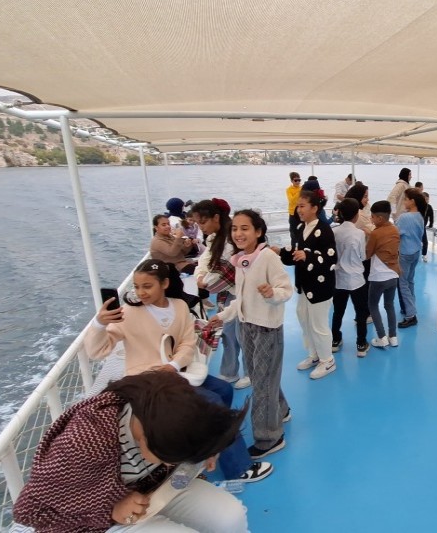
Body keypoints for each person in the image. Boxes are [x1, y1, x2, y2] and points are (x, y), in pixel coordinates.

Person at [84, 259, 269, 483]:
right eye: (137, 287)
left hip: (177, 373)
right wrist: (99, 324)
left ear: (164, 283)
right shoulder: (129, 314)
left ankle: (209, 445)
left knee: (224, 390)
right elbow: (97, 351)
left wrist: (172, 366)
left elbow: (188, 343)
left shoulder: (179, 307)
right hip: (148, 385)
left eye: (147, 286)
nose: (141, 292)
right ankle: (238, 469)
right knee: (211, 402)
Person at [13, 371, 253, 532]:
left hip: (159, 489)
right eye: (170, 459)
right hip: (104, 517)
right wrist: (110, 513)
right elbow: (29, 511)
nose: (172, 465)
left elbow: (194, 428)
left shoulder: (164, 400)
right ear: (146, 439)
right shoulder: (83, 443)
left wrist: (205, 449)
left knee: (230, 518)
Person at [210, 209, 293, 459]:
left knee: (262, 384)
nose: (238, 233)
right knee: (260, 378)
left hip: (266, 328)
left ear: (258, 232)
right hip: (246, 327)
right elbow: (242, 298)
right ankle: (282, 409)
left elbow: (285, 289)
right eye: (235, 228)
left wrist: (272, 293)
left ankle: (270, 437)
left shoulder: (267, 257)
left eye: (245, 228)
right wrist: (223, 315)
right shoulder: (241, 260)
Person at [275, 190, 339, 379]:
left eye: (302, 206)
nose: (299, 210)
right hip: (304, 284)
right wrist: (280, 252)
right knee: (304, 320)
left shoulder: (324, 229)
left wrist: (308, 256)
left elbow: (331, 258)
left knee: (319, 324)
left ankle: (328, 360)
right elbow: (297, 252)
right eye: (298, 206)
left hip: (320, 287)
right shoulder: (301, 227)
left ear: (314, 208)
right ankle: (314, 354)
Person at [191, 199, 250, 389]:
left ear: (216, 217)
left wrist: (204, 281)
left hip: (242, 293)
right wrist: (201, 276)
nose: (201, 227)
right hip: (227, 293)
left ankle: (251, 372)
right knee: (228, 333)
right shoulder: (214, 239)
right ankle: (229, 372)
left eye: (203, 222)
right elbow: (205, 260)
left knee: (244, 335)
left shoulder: (231, 242)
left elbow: (222, 274)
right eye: (198, 223)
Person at [330, 198, 371, 356]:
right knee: (361, 312)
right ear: (356, 215)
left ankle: (335, 340)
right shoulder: (359, 233)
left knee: (338, 311)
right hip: (356, 279)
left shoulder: (334, 232)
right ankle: (361, 343)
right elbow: (362, 256)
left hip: (339, 278)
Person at [366, 200, 400, 348]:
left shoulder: (375, 233)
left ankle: (381, 337)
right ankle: (393, 337)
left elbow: (367, 254)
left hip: (379, 276)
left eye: (372, 217)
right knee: (389, 305)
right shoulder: (395, 230)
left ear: (379, 218)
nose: (371, 219)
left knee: (373, 305)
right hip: (393, 274)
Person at [397, 189, 426, 328]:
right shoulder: (420, 216)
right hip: (415, 252)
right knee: (410, 281)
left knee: (403, 284)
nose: (404, 201)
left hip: (405, 253)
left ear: (412, 201)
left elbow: (396, 233)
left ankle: (410, 315)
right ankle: (411, 308)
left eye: (405, 199)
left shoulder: (404, 217)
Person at [286, 172, 302, 247]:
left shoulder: (302, 189)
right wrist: (299, 192)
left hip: (301, 214)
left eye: (299, 180)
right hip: (292, 214)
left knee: (302, 232)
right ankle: (293, 250)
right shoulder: (289, 190)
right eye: (296, 180)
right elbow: (292, 200)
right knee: (293, 234)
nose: (298, 182)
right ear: (292, 181)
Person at [421, 192, 434, 262]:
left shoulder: (429, 207)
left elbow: (431, 216)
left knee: (425, 242)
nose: (426, 200)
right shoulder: (418, 206)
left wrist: (431, 224)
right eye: (425, 199)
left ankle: (424, 254)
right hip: (416, 226)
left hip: (423, 227)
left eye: (427, 199)